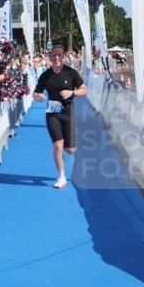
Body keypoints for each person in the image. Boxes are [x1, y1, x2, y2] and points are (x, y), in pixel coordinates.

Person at [33, 45, 86, 189]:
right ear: (50, 57)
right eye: (54, 55)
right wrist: (38, 96)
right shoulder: (45, 75)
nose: (57, 58)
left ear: (63, 57)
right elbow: (35, 94)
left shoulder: (71, 73)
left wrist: (72, 93)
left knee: (70, 150)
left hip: (68, 114)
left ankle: (73, 139)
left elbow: (84, 90)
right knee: (57, 145)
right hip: (52, 113)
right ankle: (61, 176)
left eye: (59, 55)